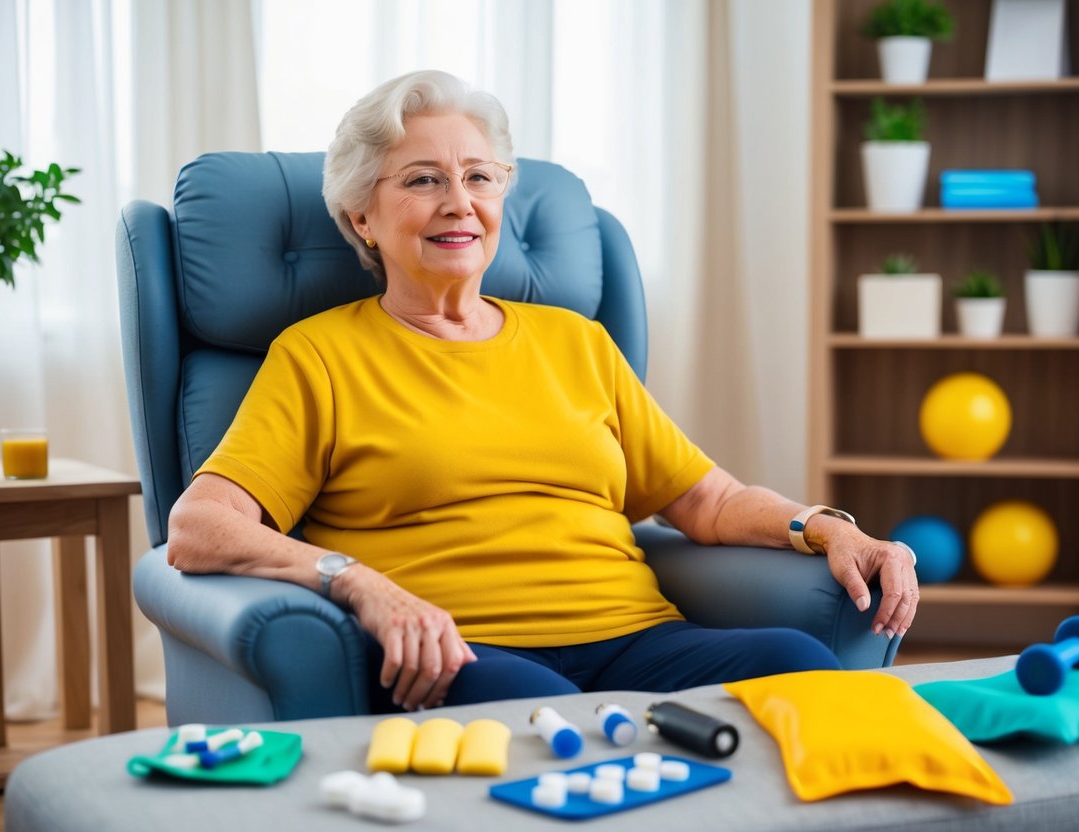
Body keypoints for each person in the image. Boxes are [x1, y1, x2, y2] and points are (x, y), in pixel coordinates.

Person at [167, 69, 918, 714]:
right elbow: (200, 526)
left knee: (805, 671)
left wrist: (829, 527)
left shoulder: (575, 341)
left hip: (638, 638)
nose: (460, 202)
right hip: (464, 651)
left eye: (479, 177)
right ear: (361, 214)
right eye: (424, 178)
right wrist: (357, 582)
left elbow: (709, 502)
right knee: (553, 731)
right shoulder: (321, 354)